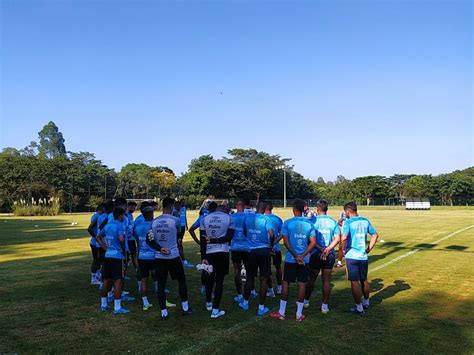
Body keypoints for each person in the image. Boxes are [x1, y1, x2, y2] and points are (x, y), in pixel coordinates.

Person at [147, 197, 194, 320]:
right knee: (181, 281)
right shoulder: (176, 220)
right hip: (173, 255)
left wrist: (159, 248)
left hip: (159, 257)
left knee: (161, 284)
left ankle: (164, 312)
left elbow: (149, 240)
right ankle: (185, 308)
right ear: (171, 206)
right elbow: (179, 234)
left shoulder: (154, 221)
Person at [270, 199, 316, 322]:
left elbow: (285, 241)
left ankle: (282, 312)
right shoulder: (309, 224)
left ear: (294, 208)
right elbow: (313, 243)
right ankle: (299, 314)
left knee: (286, 283)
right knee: (302, 285)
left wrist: (296, 255)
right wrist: (302, 255)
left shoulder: (288, 223)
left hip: (291, 259)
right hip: (304, 259)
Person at [340, 202, 379, 314]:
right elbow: (375, 235)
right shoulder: (365, 220)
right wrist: (368, 249)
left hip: (352, 255)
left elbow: (344, 238)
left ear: (347, 211)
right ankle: (366, 302)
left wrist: (343, 250)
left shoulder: (348, 222)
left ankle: (359, 307)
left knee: (354, 281)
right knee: (364, 280)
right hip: (363, 256)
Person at [304, 199, 341, 313]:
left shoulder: (312, 221)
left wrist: (320, 249)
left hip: (316, 253)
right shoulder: (333, 222)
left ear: (317, 209)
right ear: (327, 209)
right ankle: (324, 306)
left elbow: (308, 239)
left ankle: (306, 301)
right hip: (329, 254)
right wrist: (328, 249)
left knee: (311, 279)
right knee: (326, 281)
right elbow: (337, 239)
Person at [239, 201, 274, 316]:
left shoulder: (248, 218)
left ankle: (245, 302)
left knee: (249, 277)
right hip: (264, 250)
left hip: (250, 251)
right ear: (264, 209)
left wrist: (250, 239)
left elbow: (244, 230)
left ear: (256, 208)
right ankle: (261, 307)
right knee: (263, 279)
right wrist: (271, 246)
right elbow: (271, 234)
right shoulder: (266, 219)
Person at [200, 202, 234, 318]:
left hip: (209, 252)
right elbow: (229, 237)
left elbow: (203, 240)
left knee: (209, 278)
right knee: (219, 281)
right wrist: (215, 241)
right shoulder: (229, 218)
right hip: (222, 251)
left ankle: (208, 302)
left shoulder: (205, 218)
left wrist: (203, 257)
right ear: (224, 210)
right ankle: (215, 310)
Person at [96, 206, 130, 314]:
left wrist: (106, 248)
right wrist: (123, 250)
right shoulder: (120, 225)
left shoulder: (108, 225)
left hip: (108, 255)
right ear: (121, 215)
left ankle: (104, 304)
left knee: (106, 280)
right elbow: (121, 239)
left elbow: (98, 237)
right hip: (117, 256)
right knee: (118, 281)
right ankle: (117, 307)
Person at [133, 202, 155, 310]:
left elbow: (137, 239)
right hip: (153, 256)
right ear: (151, 214)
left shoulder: (137, 227)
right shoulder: (153, 226)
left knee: (143, 279)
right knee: (159, 277)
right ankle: (162, 298)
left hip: (142, 256)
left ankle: (145, 302)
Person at [230, 199, 250, 303]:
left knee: (237, 271)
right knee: (248, 270)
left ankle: (239, 294)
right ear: (244, 206)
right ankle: (250, 291)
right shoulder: (249, 217)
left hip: (235, 247)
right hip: (247, 247)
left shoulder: (232, 217)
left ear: (237, 206)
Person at [264, 202, 283, 297]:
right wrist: (275, 242)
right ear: (272, 208)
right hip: (276, 247)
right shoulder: (277, 219)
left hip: (265, 248)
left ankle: (270, 289)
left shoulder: (261, 219)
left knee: (266, 269)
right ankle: (280, 287)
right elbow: (282, 234)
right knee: (278, 267)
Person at [87, 203, 106, 285]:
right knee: (97, 261)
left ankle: (97, 276)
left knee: (99, 261)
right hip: (95, 242)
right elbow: (90, 229)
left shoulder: (96, 215)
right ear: (101, 209)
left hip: (96, 242)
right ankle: (94, 278)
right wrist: (96, 237)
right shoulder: (97, 216)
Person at [125, 201, 138, 277]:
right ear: (128, 206)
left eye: (134, 207)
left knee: (134, 255)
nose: (134, 209)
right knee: (126, 256)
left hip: (132, 239)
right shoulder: (125, 215)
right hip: (127, 239)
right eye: (133, 207)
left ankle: (137, 270)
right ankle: (123, 272)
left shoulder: (131, 215)